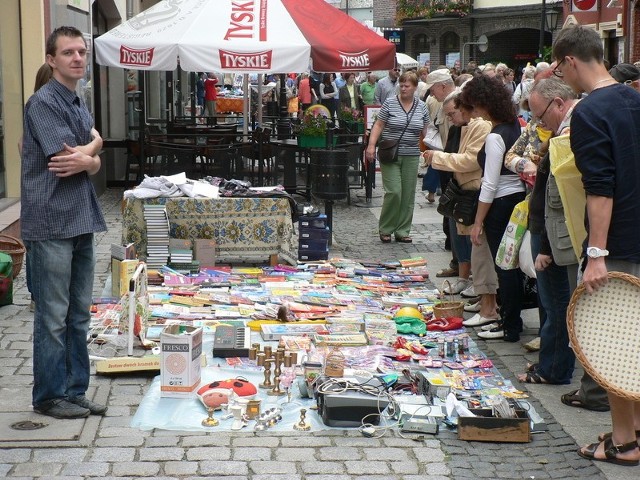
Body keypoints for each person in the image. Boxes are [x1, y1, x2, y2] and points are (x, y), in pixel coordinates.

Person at [552, 25, 640, 466]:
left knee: (616, 346)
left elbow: (599, 189)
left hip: (619, 240)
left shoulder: (589, 111)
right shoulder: (635, 99)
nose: (561, 79)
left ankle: (625, 442)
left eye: (560, 69)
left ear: (571, 61)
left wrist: (596, 254)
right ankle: (634, 433)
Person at [21, 26, 108, 419]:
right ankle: (49, 395)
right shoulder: (43, 103)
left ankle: (75, 391)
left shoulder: (76, 101)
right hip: (52, 220)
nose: (77, 58)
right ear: (51, 59)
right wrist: (94, 154)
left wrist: (91, 155)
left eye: (81, 52)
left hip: (79, 217)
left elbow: (86, 153)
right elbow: (66, 159)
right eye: (68, 52)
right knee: (53, 316)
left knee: (78, 313)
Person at [512, 77, 579, 384]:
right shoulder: (558, 133)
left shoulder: (567, 135)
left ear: (558, 103)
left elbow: (556, 199)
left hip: (553, 234)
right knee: (554, 302)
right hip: (550, 230)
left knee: (556, 304)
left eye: (540, 114)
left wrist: (546, 248)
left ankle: (553, 370)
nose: (538, 121)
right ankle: (550, 364)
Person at [460, 75, 527, 342]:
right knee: (510, 265)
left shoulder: (495, 136)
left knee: (504, 267)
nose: (474, 113)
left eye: (475, 107)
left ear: (484, 105)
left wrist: (478, 222)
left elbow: (489, 184)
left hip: (500, 201)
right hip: (515, 198)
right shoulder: (513, 125)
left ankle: (509, 324)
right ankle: (511, 322)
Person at [422, 89, 492, 302]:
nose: (450, 119)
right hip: (459, 189)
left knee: (476, 242)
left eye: (453, 113)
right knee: (460, 235)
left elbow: (469, 160)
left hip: (473, 190)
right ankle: (468, 280)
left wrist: (437, 157)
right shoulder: (461, 128)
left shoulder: (480, 126)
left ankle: (483, 293)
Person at [365, 71, 430, 243]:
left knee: (408, 195)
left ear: (415, 87)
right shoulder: (390, 103)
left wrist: (432, 150)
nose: (403, 88)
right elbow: (379, 124)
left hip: (412, 155)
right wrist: (371, 145)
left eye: (407, 86)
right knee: (394, 191)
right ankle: (386, 227)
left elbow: (426, 131)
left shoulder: (422, 106)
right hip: (391, 154)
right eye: (401, 85)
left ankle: (402, 230)